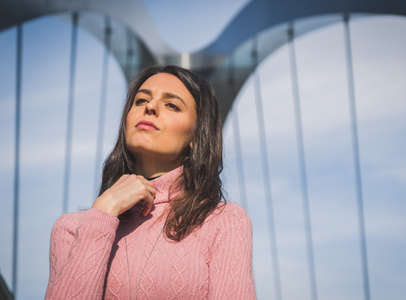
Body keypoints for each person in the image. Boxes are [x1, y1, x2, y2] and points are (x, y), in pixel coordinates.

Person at [44, 65, 257, 299]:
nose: (150, 107)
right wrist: (103, 214)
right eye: (140, 100)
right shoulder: (72, 229)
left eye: (172, 105)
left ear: (196, 138)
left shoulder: (222, 221)